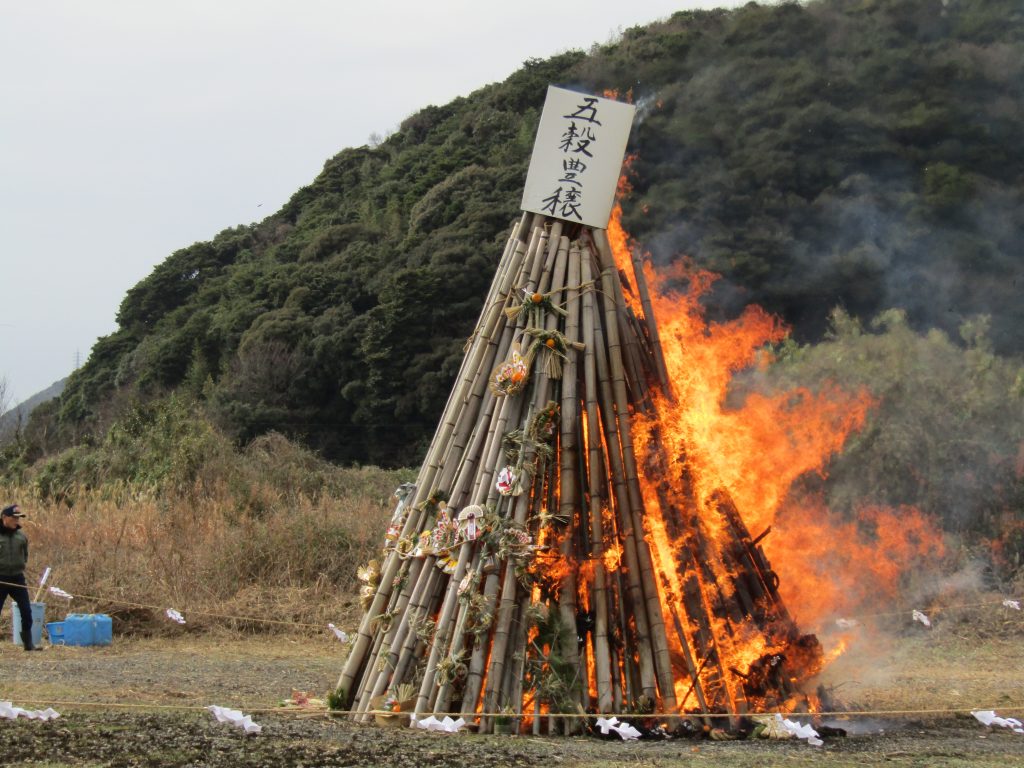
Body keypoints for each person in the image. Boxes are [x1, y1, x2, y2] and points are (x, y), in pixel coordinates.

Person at [0, 504, 40, 650]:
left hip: (17, 578)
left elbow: (25, 556)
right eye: (14, 517)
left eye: (19, 518)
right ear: (4, 518)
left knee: (26, 610)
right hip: (1, 578)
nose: (17, 520)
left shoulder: (21, 537)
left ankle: (28, 644)